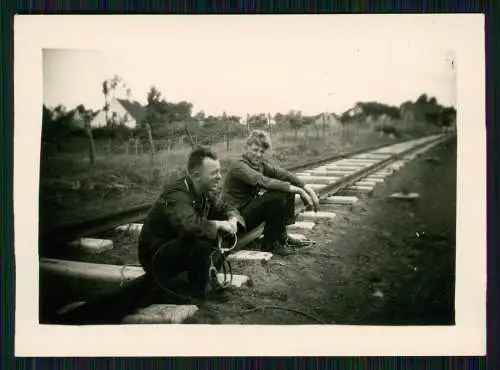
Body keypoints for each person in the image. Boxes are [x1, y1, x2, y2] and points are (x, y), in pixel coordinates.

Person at [138, 146, 245, 301]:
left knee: (223, 232)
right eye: (214, 173)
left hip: (178, 246)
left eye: (219, 171)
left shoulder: (204, 189)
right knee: (202, 235)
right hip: (156, 254)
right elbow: (191, 226)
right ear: (196, 175)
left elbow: (225, 206)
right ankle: (198, 293)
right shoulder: (176, 193)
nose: (219, 177)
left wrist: (232, 219)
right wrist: (219, 224)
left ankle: (208, 274)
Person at [220, 129, 320, 256]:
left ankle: (281, 237)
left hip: (246, 211)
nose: (258, 155)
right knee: (278, 195)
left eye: (261, 152)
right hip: (234, 217)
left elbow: (284, 174)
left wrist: (307, 188)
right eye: (255, 150)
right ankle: (269, 244)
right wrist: (299, 190)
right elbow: (261, 181)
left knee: (285, 190)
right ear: (246, 148)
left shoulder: (260, 165)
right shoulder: (238, 165)